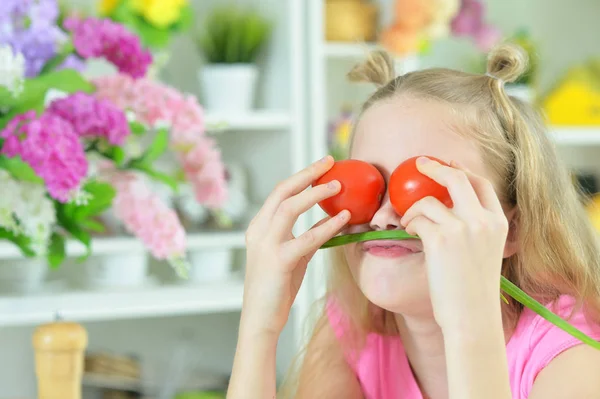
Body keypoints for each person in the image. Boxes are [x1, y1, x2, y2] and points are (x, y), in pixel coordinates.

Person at [226, 43, 600, 399]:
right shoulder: (356, 328)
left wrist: (469, 328)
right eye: (364, 185)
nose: (384, 217)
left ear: (511, 230)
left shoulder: (574, 364)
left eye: (425, 190)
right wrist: (259, 327)